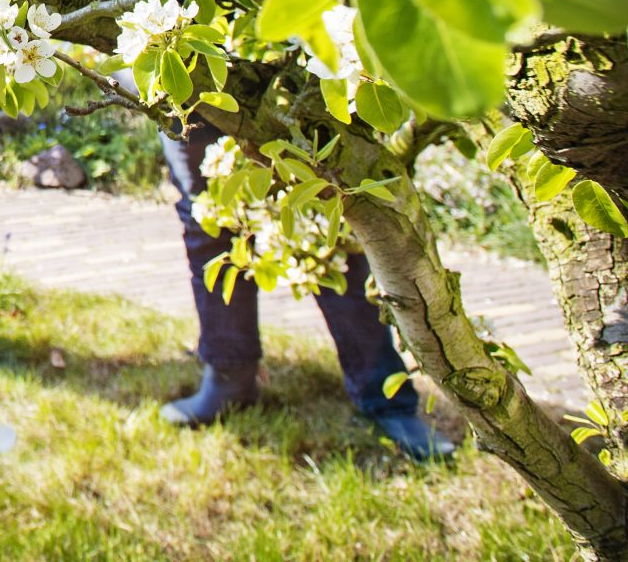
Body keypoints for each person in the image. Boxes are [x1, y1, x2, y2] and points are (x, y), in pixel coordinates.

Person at [161, 121, 456, 460]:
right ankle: (229, 374)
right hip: (186, 95)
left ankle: (386, 398)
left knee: (323, 215)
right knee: (208, 222)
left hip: (278, 85)